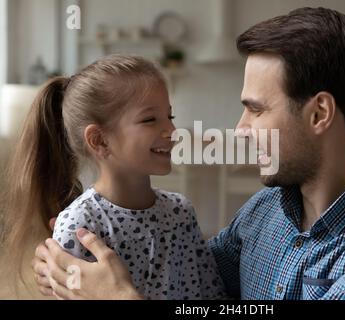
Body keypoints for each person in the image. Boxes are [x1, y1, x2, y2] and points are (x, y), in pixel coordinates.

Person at [32, 7, 345, 299]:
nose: (240, 129)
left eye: (255, 108)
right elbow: (190, 285)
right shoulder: (263, 213)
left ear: (319, 113)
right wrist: (78, 268)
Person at [3, 54, 225, 299]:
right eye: (150, 119)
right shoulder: (79, 226)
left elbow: (212, 294)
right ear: (99, 140)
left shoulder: (181, 212)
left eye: (169, 116)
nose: (172, 130)